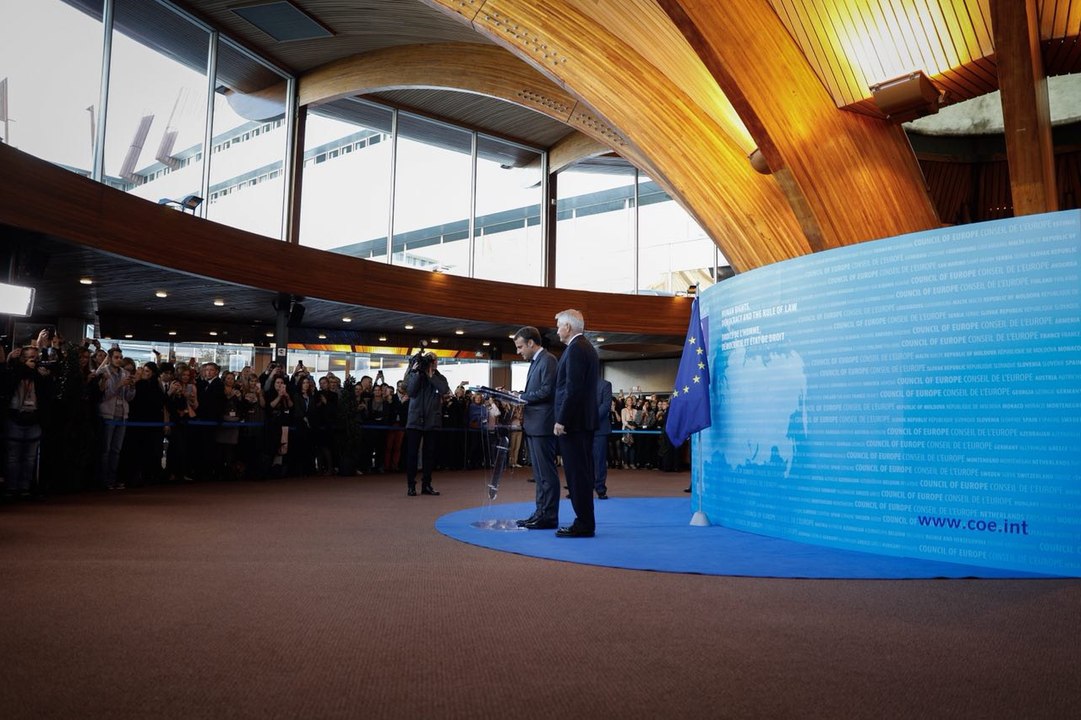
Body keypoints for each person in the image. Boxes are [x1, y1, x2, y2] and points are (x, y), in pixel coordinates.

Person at [552, 309, 599, 538]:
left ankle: (583, 523)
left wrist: (562, 419)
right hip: (582, 423)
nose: (557, 329)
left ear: (568, 327)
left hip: (575, 424)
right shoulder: (584, 347)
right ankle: (585, 521)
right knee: (581, 473)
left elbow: (572, 390)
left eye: (559, 325)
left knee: (577, 475)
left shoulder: (576, 349)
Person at [512, 326, 560, 530]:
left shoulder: (548, 360)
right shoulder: (536, 361)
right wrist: (516, 394)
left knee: (546, 474)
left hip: (543, 424)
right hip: (534, 424)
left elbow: (547, 391)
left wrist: (521, 397)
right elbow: (536, 391)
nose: (518, 351)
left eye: (520, 346)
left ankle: (548, 516)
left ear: (531, 343)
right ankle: (540, 512)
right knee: (539, 475)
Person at [404, 351, 450, 496]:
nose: (433, 362)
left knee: (429, 455)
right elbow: (410, 391)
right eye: (430, 360)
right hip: (414, 420)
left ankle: (427, 485)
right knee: (412, 454)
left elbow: (443, 390)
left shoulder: (440, 377)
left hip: (432, 421)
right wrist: (417, 373)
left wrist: (431, 376)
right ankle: (411, 485)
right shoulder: (414, 374)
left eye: (434, 360)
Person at [593, 377, 612, 499]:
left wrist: (591, 418)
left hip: (599, 429)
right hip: (582, 430)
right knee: (583, 462)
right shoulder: (580, 383)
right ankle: (582, 489)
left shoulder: (605, 385)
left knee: (599, 461)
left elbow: (606, 406)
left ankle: (600, 489)